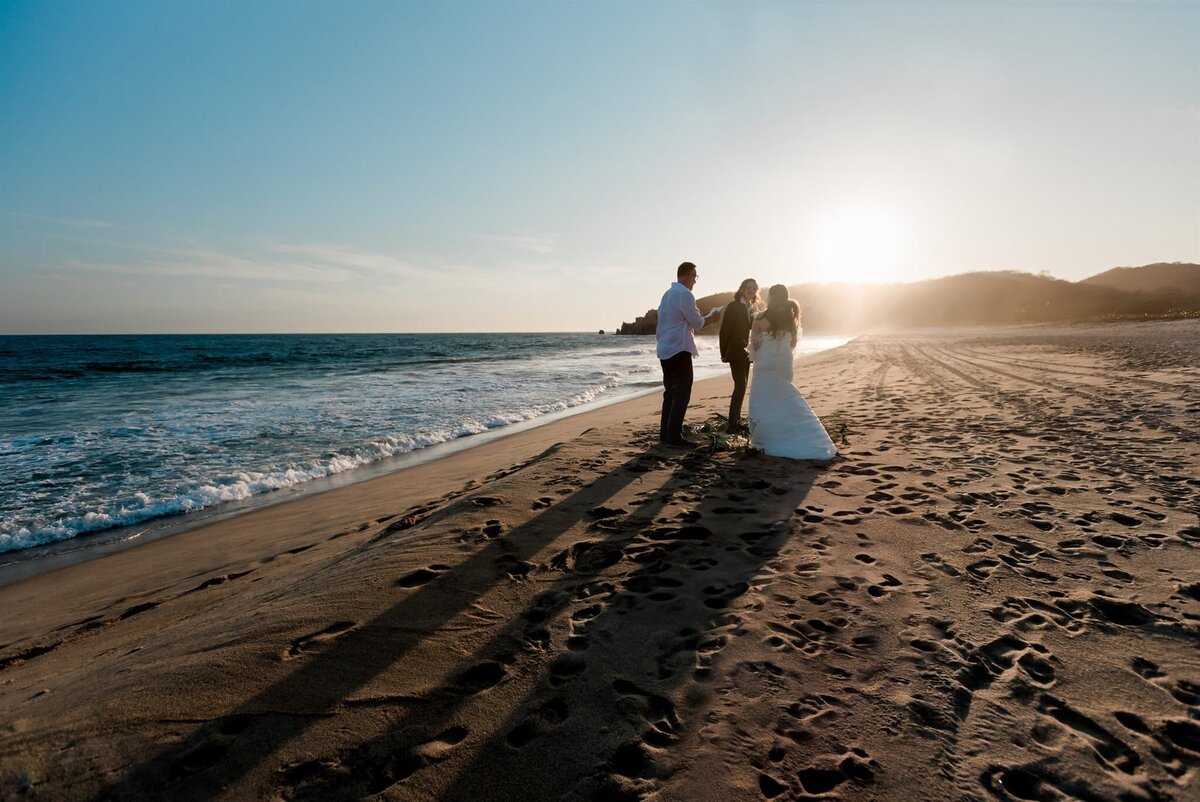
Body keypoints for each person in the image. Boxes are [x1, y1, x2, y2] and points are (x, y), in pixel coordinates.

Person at [747, 284, 837, 460]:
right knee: (783, 400)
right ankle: (790, 435)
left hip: (765, 363)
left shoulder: (759, 318)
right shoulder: (791, 319)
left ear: (771, 298)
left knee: (763, 402)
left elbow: (754, 345)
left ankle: (765, 441)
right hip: (784, 364)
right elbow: (793, 344)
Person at [656, 261, 718, 447]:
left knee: (670, 392)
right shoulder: (685, 294)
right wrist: (712, 318)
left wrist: (701, 317)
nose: (695, 281)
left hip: (665, 348)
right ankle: (674, 435)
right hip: (679, 348)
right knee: (682, 392)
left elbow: (684, 319)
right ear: (686, 275)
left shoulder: (667, 295)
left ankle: (665, 433)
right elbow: (697, 323)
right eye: (694, 276)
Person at [718, 278, 759, 434]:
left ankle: (735, 421)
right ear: (742, 289)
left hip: (745, 351)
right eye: (749, 287)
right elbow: (724, 330)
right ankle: (732, 425)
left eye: (754, 288)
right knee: (740, 386)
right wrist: (723, 353)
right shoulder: (734, 306)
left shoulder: (751, 308)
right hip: (734, 350)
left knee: (742, 386)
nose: (751, 290)